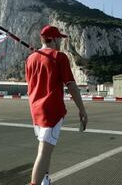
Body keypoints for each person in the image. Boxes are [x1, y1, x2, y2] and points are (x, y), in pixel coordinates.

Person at [25, 25, 88, 185]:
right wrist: (82, 110)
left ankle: (45, 179)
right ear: (52, 39)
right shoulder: (59, 57)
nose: (60, 41)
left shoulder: (30, 59)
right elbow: (71, 85)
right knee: (44, 152)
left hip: (35, 110)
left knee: (46, 149)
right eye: (59, 38)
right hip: (51, 111)